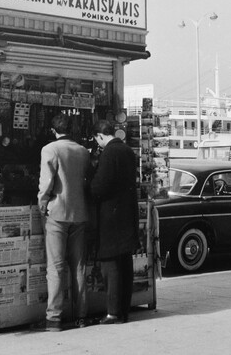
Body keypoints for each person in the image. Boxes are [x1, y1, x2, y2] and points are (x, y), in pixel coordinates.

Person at [38, 113, 91, 332]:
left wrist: (42, 204)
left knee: (56, 267)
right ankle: (81, 316)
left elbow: (46, 182)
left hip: (57, 214)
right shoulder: (82, 151)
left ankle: (54, 318)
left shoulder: (49, 149)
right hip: (80, 214)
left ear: (53, 130)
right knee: (79, 267)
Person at [90, 119, 140, 325]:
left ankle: (112, 312)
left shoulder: (109, 153)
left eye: (97, 140)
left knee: (110, 265)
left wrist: (89, 185)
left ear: (100, 136)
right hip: (128, 213)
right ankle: (124, 310)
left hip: (112, 216)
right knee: (125, 263)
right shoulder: (128, 151)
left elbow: (100, 187)